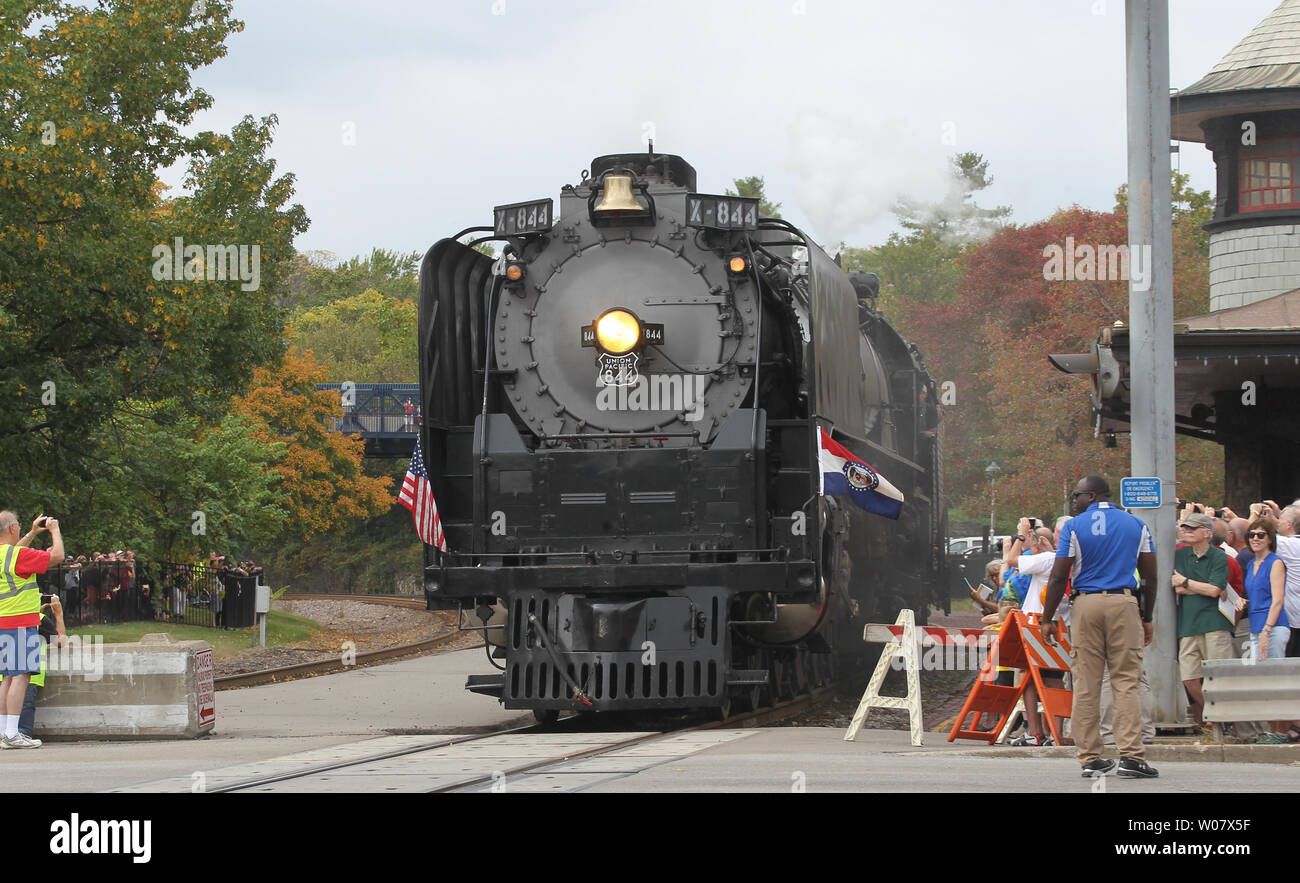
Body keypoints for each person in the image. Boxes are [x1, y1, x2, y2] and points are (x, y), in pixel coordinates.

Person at [1042, 475, 1157, 778]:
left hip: (1086, 604)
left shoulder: (1073, 527)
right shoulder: (1137, 524)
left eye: (1077, 495)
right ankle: (1132, 756)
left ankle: (1090, 757)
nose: (1075, 501)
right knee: (1126, 681)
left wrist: (1048, 617)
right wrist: (1147, 617)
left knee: (1086, 683)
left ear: (1091, 496)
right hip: (1124, 603)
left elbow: (1058, 576)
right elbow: (1150, 576)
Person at [0, 512, 64, 749]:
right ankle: (12, 734)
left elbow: (13, 550)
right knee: (21, 676)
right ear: (13, 527)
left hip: (2, 621)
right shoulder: (17, 555)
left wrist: (33, 532)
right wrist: (54, 530)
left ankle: (5, 731)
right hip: (20, 621)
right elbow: (57, 556)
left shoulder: (6, 555)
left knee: (7, 677)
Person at [1236, 516, 1298, 742]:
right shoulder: (1252, 563)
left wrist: (1267, 631)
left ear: (1270, 538)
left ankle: (1280, 731)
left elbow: (1277, 600)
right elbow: (1259, 596)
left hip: (1273, 626)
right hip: (1255, 624)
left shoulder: (1276, 562)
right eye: (1252, 535)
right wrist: (1244, 602)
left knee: (1275, 680)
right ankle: (1271, 730)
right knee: (1262, 680)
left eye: (1261, 535)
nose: (1255, 539)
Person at [1005, 519, 1065, 746]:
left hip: (1039, 625)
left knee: (1048, 679)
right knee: (1035, 678)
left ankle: (1042, 732)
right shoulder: (1054, 558)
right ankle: (1045, 732)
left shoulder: (1048, 559)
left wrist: (1020, 536)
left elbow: (1011, 561)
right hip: (1041, 624)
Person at [1173, 512, 1233, 730]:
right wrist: (1197, 586)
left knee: (1216, 675)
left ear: (1207, 533)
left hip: (1214, 623)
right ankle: (1214, 711)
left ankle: (1222, 720)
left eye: (1193, 528)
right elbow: (1175, 585)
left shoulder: (1219, 556)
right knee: (1189, 677)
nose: (1187, 531)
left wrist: (1186, 582)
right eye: (1185, 527)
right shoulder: (1180, 555)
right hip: (1188, 624)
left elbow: (1214, 589)